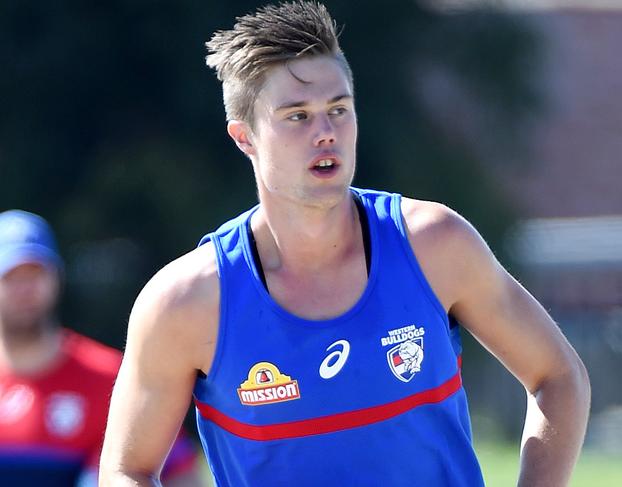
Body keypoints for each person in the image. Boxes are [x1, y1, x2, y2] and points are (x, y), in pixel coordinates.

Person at [99, 2, 591, 486]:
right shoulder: (186, 301)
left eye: (339, 110)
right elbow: (126, 469)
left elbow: (558, 378)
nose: (326, 133)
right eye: (297, 116)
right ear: (244, 137)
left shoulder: (434, 244)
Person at [0, 209, 205, 486]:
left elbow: (180, 470)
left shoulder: (111, 377)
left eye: (35, 273)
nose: (24, 288)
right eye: (10, 276)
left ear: (56, 278)